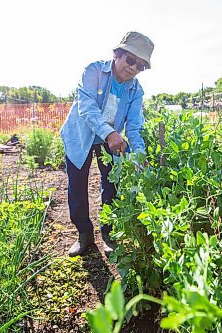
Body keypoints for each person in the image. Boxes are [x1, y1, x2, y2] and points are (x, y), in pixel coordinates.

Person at [60, 32, 154, 257]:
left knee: (111, 186)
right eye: (130, 60)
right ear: (117, 54)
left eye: (140, 65)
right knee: (78, 186)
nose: (133, 68)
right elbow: (87, 107)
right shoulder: (94, 71)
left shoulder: (135, 90)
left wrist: (139, 156)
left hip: (110, 142)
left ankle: (108, 232)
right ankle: (84, 235)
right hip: (80, 136)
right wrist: (110, 133)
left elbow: (134, 127)